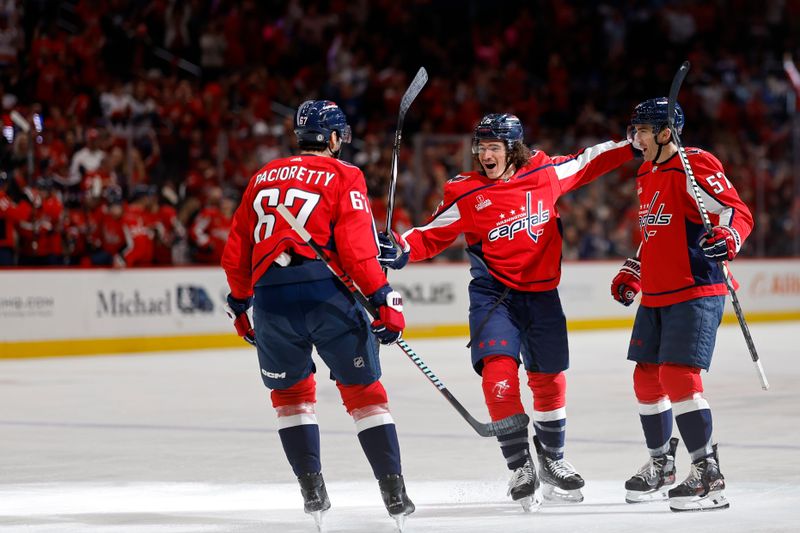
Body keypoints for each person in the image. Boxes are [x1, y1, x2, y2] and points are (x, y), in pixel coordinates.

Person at [378, 113, 634, 510]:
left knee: (548, 378)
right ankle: (520, 465)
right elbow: (432, 232)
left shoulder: (546, 172)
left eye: (493, 147)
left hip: (542, 296)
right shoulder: (466, 191)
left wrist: (632, 142)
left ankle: (552, 460)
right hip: (494, 296)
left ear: (513, 149)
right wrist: (401, 247)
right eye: (480, 147)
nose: (484, 155)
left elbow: (590, 159)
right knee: (497, 373)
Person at [220, 100, 414, 528]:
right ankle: (394, 495)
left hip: (271, 299)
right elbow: (357, 251)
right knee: (365, 396)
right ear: (332, 138)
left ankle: (313, 494)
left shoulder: (262, 176)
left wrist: (239, 303)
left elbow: (237, 250)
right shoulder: (345, 174)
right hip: (327, 296)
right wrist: (382, 297)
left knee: (290, 401)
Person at [611, 97, 753, 512]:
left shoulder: (696, 164)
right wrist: (635, 268)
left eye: (642, 130)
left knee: (677, 376)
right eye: (634, 129)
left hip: (696, 287)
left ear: (665, 133)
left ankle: (708, 474)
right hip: (657, 290)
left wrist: (730, 238)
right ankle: (661, 465)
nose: (635, 138)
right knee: (646, 379)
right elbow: (656, 229)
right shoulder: (645, 171)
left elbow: (736, 211)